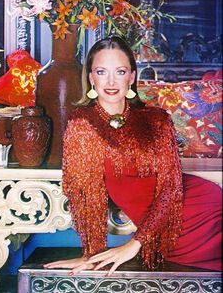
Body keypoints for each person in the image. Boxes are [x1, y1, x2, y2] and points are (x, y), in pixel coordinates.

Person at [44, 36, 222, 276]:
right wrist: (92, 255)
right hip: (171, 235)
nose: (110, 81)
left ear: (132, 77)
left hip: (206, 209)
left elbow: (171, 187)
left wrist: (134, 244)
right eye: (101, 71)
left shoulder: (156, 119)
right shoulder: (82, 124)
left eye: (120, 71)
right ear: (91, 79)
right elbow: (86, 194)